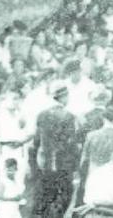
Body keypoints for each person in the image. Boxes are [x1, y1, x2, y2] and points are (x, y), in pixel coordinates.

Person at [31, 84, 80, 218]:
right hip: (63, 166)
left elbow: (36, 142)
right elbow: (72, 145)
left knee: (46, 200)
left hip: (45, 165)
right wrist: (76, 168)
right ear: (62, 97)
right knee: (62, 200)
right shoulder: (69, 117)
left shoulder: (42, 115)